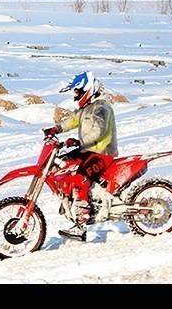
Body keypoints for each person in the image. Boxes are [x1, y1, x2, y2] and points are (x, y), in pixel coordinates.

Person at [43, 71, 117, 242]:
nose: (75, 95)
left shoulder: (101, 107)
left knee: (79, 178)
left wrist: (78, 141)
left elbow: (98, 130)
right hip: (88, 150)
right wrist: (55, 129)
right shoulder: (86, 108)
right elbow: (72, 121)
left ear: (87, 89)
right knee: (62, 164)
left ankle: (81, 224)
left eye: (77, 91)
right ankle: (72, 199)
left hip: (102, 153)